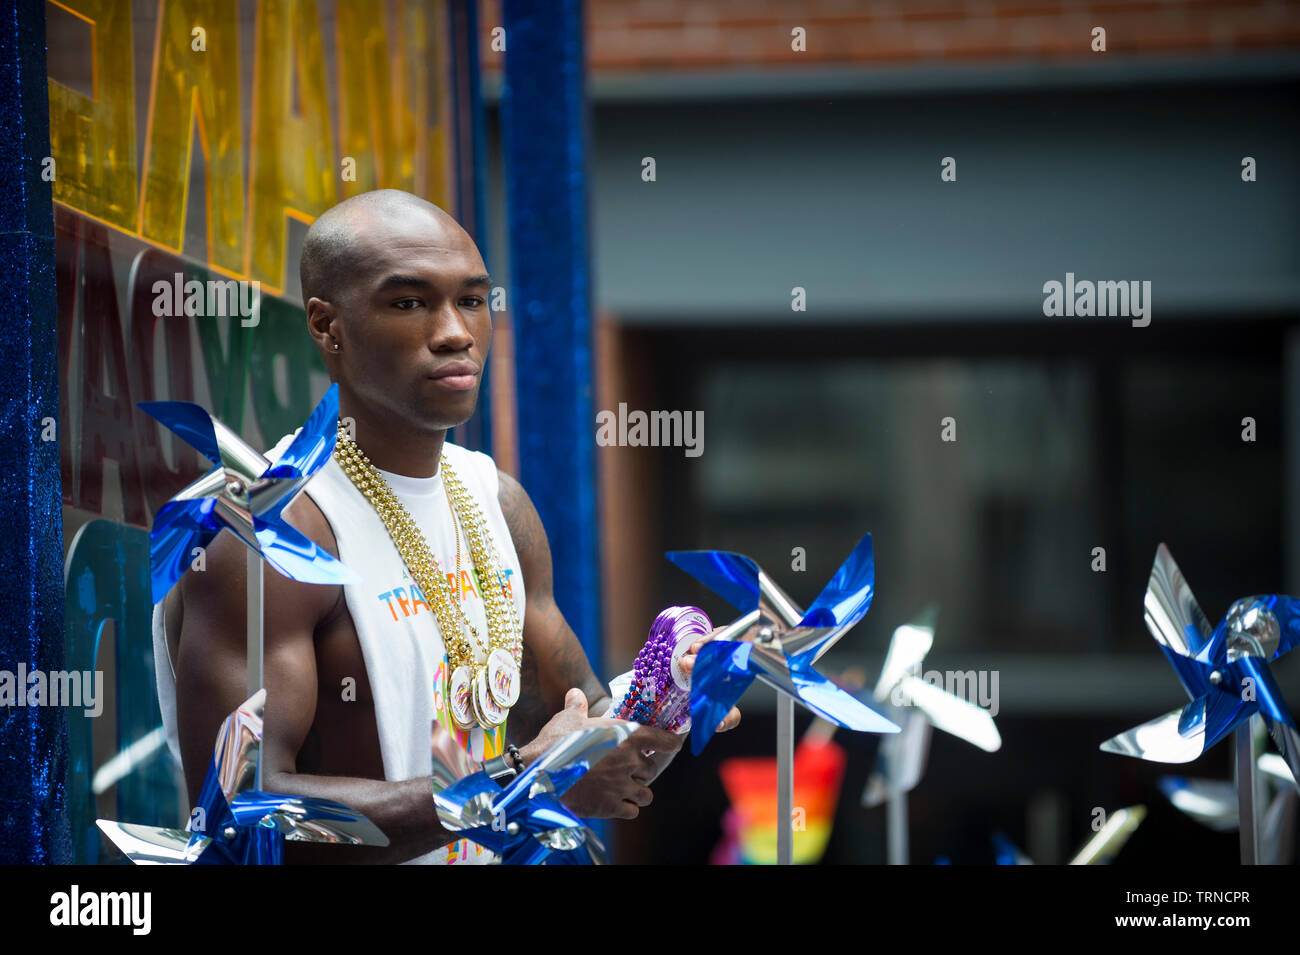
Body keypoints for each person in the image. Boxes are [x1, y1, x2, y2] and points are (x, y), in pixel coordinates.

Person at [154, 188, 740, 863]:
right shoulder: (270, 532)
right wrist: (517, 779)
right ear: (326, 325)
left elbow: (584, 741)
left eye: (471, 299)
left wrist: (668, 690)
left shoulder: (499, 502)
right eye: (409, 302)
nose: (455, 331)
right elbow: (241, 816)